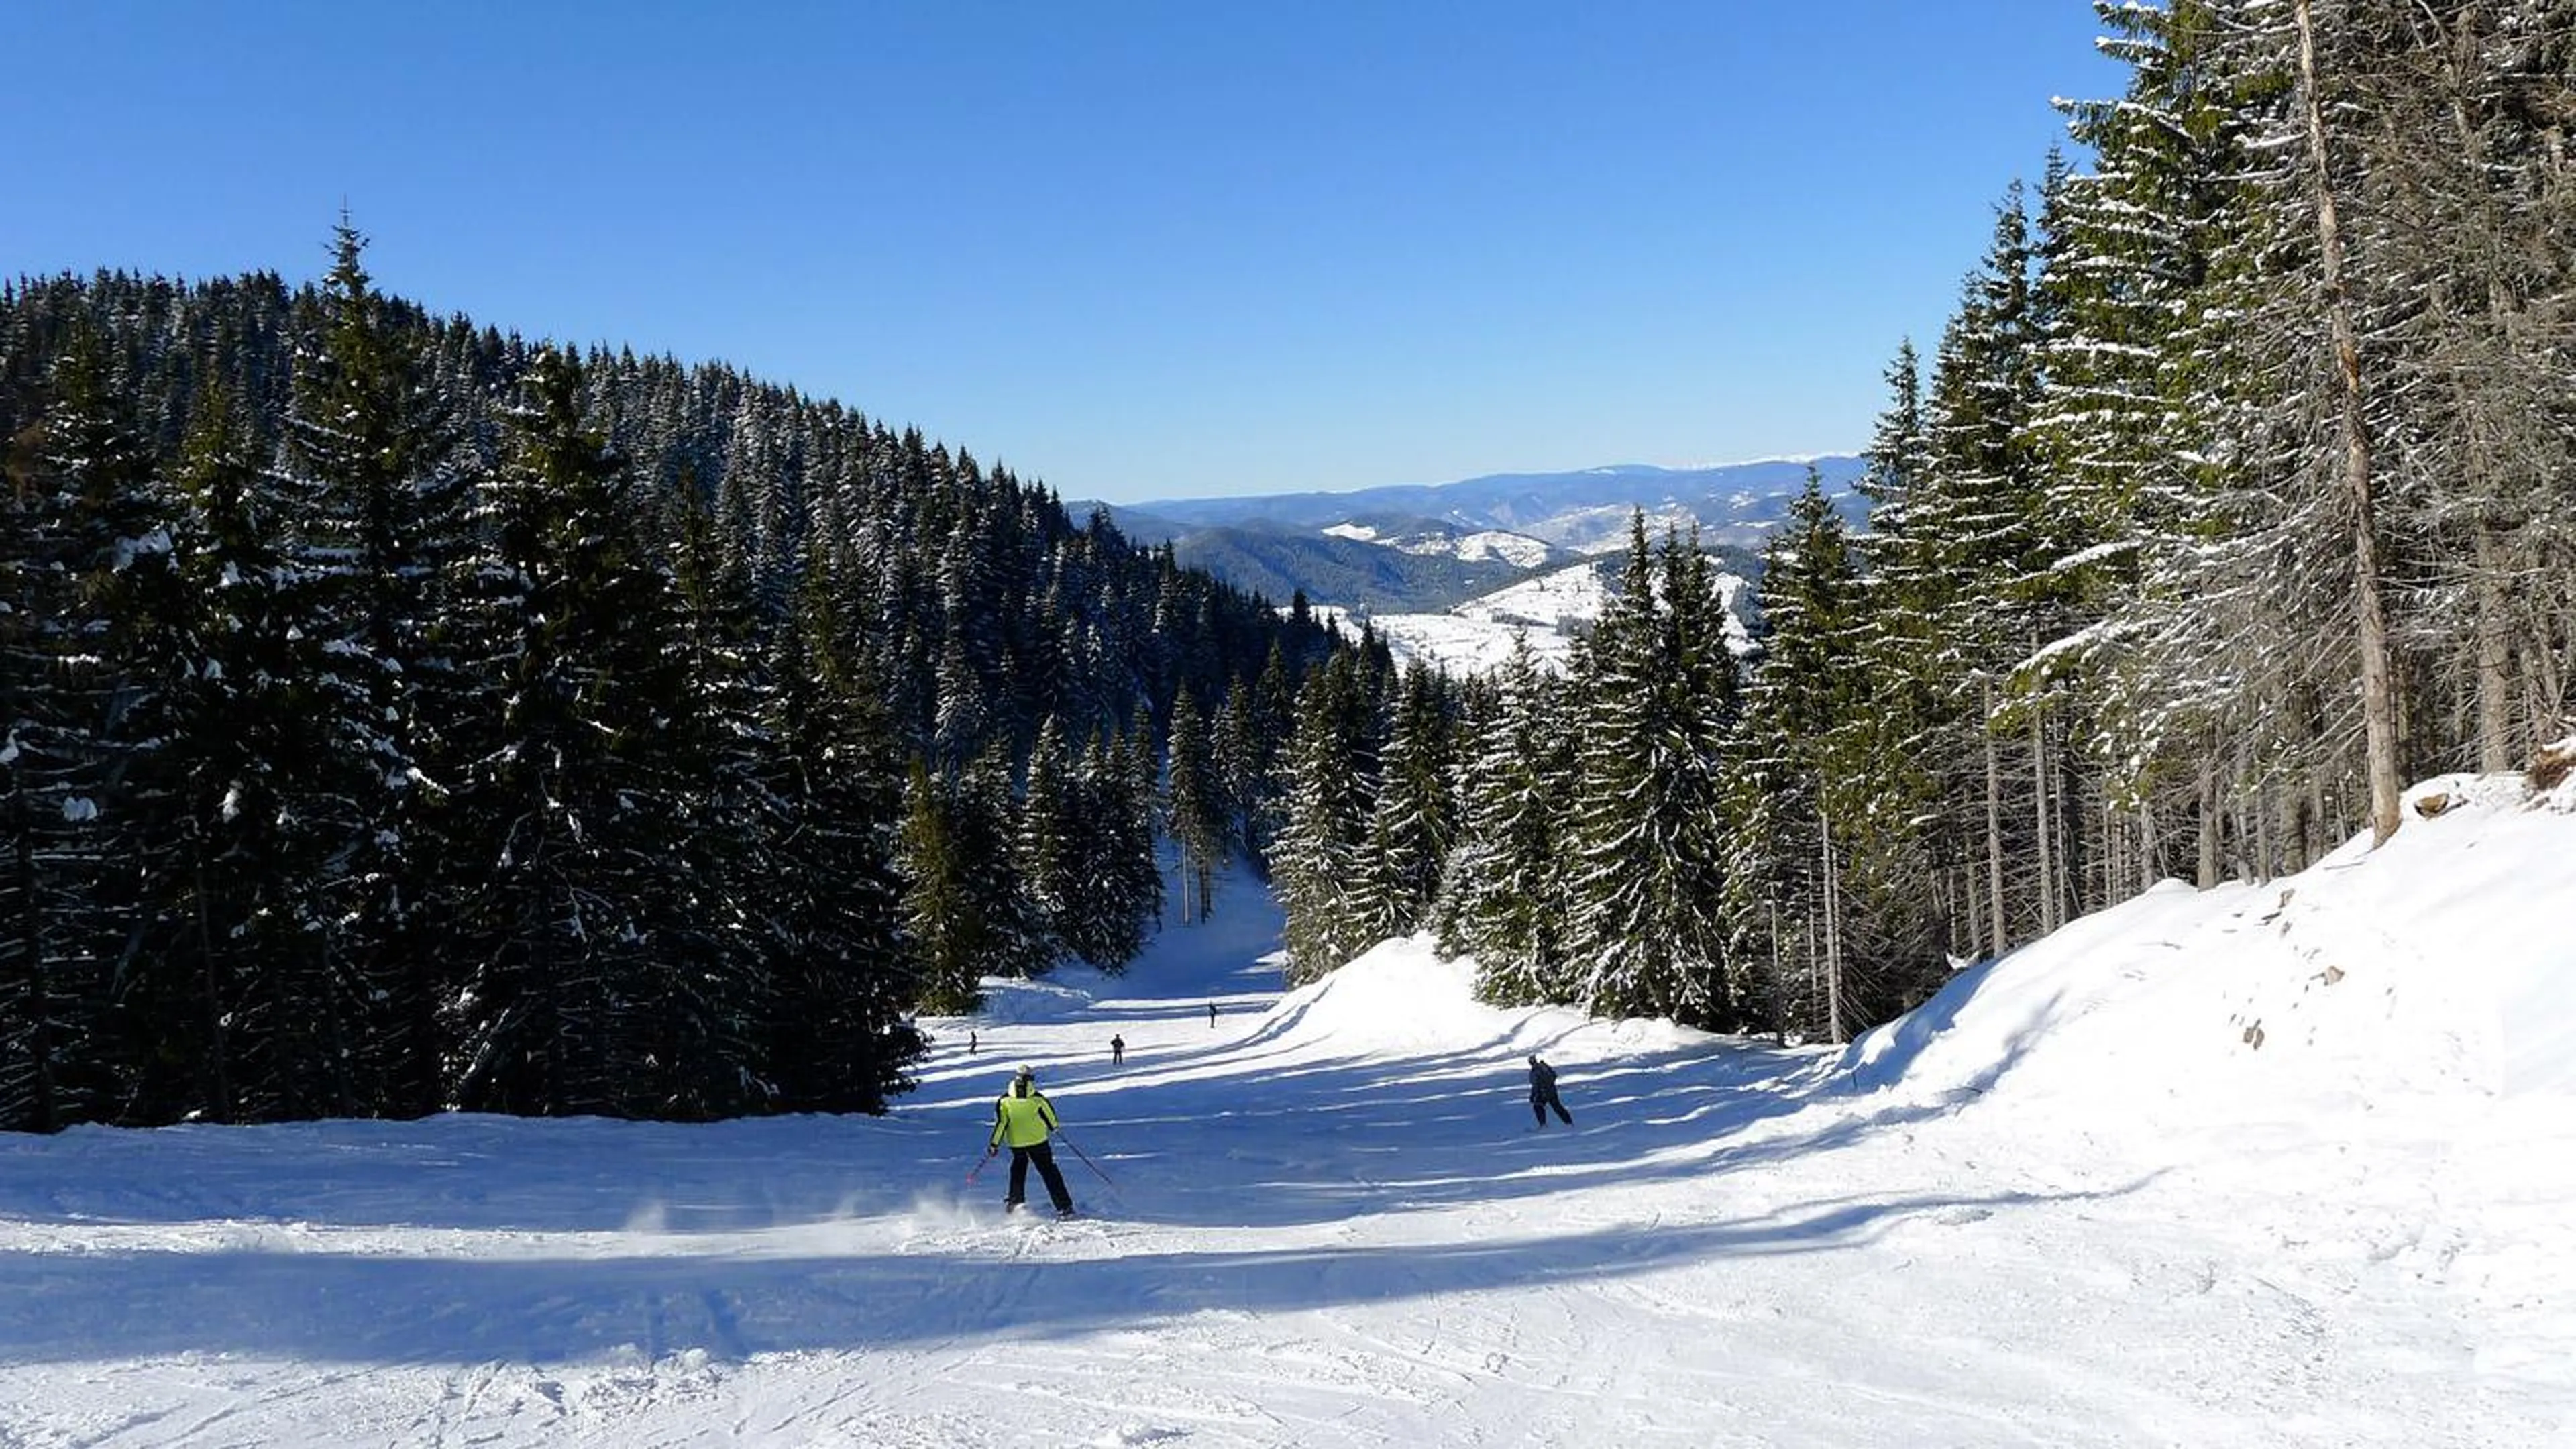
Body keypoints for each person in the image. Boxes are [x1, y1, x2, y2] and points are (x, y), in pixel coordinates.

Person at [987, 1064, 1075, 1217]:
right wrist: (1053, 1128)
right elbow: (1052, 1121)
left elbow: (1001, 1124)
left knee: (1018, 1170)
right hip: (1038, 1141)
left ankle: (1015, 1203)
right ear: (1031, 1080)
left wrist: (995, 1144)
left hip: (1016, 1143)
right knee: (1049, 1171)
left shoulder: (1004, 1101)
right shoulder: (1038, 1099)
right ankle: (1064, 1206)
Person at [1527, 1054, 1572, 1127]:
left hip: (1547, 1092)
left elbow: (1547, 1080)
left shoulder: (1540, 1069)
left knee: (1544, 1106)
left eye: (1532, 1060)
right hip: (1548, 1092)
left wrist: (1538, 1092)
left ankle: (1544, 1124)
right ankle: (1568, 1122)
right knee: (1554, 1107)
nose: (1531, 1062)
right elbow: (1535, 1085)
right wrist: (1533, 1095)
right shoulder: (1536, 1070)